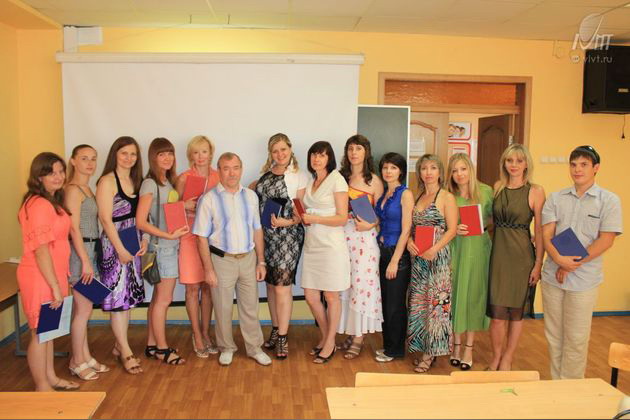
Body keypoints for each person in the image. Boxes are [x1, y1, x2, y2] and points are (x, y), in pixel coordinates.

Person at [541, 145, 622, 379]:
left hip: (584, 280)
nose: (578, 169)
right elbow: (546, 235)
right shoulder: (556, 198)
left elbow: (606, 240)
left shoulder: (609, 200)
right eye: (574, 164)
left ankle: (572, 388)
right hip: (552, 277)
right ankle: (557, 384)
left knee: (576, 339)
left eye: (584, 164)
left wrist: (570, 265)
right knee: (554, 336)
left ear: (596, 168)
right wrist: (558, 259)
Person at [193, 152, 272, 367]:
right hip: (222, 261)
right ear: (219, 171)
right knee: (223, 308)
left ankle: (255, 348)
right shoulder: (209, 199)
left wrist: (261, 261)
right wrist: (208, 269)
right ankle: (226, 348)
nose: (231, 173)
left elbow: (257, 229)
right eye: (226, 168)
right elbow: (201, 237)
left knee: (250, 308)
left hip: (248, 259)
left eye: (236, 168)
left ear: (241, 169)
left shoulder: (251, 196)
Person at [17, 152, 79, 391]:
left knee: (49, 330)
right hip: (40, 277)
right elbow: (41, 251)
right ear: (39, 176)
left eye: (61, 171)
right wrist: (54, 285)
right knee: (40, 332)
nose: (58, 176)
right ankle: (42, 387)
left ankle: (51, 378)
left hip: (53, 274)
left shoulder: (51, 201)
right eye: (51, 172)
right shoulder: (39, 204)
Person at [487, 143, 545, 371]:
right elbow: (491, 221)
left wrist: (538, 264)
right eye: (510, 160)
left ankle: (508, 358)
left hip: (522, 258)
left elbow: (539, 230)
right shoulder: (498, 187)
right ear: (504, 163)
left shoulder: (536, 191)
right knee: (497, 315)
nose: (514, 165)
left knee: (515, 314)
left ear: (526, 164)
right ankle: (495, 357)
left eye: (519, 161)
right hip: (499, 257)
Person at [252, 133, 308, 359]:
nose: (280, 154)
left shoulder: (299, 176)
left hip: (288, 237)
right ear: (270, 153)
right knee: (271, 285)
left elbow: (301, 213)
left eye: (283, 149)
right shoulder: (264, 176)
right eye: (275, 151)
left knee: (282, 287)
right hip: (267, 236)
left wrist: (286, 222)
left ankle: (283, 336)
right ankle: (276, 329)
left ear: (290, 149)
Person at [96, 136, 147, 375]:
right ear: (115, 155)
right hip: (114, 246)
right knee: (117, 300)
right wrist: (120, 250)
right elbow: (105, 219)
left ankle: (119, 345)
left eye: (133, 154)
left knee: (127, 300)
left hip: (133, 242)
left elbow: (142, 216)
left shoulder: (136, 181)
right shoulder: (107, 181)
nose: (129, 158)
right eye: (124, 153)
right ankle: (126, 351)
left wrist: (143, 240)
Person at [137, 138, 189, 365]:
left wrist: (183, 206)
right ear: (153, 157)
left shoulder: (166, 181)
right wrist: (167, 236)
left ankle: (152, 344)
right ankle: (162, 348)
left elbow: (164, 212)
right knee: (163, 300)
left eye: (170, 153)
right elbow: (141, 221)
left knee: (157, 299)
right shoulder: (150, 184)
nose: (167, 158)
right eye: (162, 154)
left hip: (168, 246)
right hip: (162, 249)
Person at [406, 154, 458, 373]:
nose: (428, 172)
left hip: (437, 258)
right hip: (419, 259)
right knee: (419, 303)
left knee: (436, 305)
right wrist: (409, 241)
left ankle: (430, 354)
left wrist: (434, 249)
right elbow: (411, 228)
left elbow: (452, 230)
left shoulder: (446, 197)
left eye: (433, 168)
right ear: (419, 172)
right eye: (424, 168)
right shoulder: (418, 196)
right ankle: (423, 348)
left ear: (440, 172)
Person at [300, 141, 350, 364]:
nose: (317, 159)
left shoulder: (337, 179)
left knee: (331, 296)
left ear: (329, 158)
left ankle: (329, 342)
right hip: (312, 245)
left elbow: (342, 218)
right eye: (314, 155)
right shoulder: (311, 181)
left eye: (321, 155)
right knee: (311, 296)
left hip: (331, 247)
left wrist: (315, 218)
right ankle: (325, 336)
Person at [337, 135, 384, 359]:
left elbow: (383, 214)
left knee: (362, 285)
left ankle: (359, 337)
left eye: (358, 148)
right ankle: (351, 331)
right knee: (346, 286)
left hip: (365, 239)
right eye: (350, 149)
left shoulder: (374, 181)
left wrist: (372, 224)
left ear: (366, 152)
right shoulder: (340, 177)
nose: (354, 153)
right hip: (342, 237)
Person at [65, 145, 109, 381]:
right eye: (84, 159)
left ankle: (85, 356)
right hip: (80, 253)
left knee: (86, 309)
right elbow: (73, 228)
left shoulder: (87, 189)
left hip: (91, 250)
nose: (90, 163)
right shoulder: (73, 190)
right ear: (73, 161)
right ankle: (76, 361)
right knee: (82, 311)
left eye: (93, 159)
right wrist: (85, 262)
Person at [175, 135, 220, 358]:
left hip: (212, 238)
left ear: (210, 153)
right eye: (196, 152)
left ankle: (206, 332)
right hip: (189, 236)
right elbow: (170, 210)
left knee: (208, 287)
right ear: (190, 155)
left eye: (204, 151)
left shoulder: (218, 176)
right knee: (192, 288)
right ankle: (197, 335)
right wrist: (184, 205)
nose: (200, 156)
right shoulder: (184, 178)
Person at [446, 153, 492, 371]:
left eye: (463, 169)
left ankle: (468, 348)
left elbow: (494, 219)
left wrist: (482, 225)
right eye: (454, 170)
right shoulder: (449, 196)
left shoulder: (486, 192)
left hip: (478, 249)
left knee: (473, 296)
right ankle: (455, 345)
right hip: (456, 249)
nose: (459, 174)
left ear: (470, 169)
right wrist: (454, 229)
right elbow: (443, 223)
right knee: (456, 295)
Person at [374, 153, 413, 363]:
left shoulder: (405, 194)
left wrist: (395, 261)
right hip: (383, 251)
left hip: (397, 255)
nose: (388, 171)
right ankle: (389, 346)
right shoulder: (384, 194)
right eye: (385, 167)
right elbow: (380, 221)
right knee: (386, 303)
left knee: (395, 305)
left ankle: (396, 350)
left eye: (393, 168)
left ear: (401, 171)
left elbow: (406, 230)